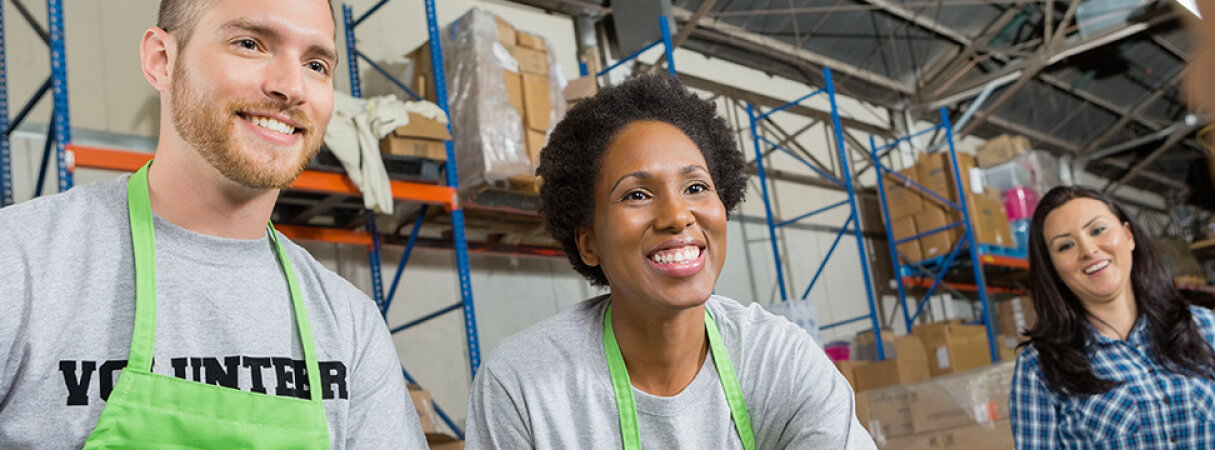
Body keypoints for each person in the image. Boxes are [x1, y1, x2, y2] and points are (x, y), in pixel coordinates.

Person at [0, 1, 426, 448]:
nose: (291, 87)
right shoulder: (18, 264)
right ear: (161, 61)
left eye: (316, 64)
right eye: (250, 44)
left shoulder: (350, 324)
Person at [463, 75, 875, 449]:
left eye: (695, 187)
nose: (677, 216)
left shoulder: (778, 361)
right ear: (589, 243)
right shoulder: (522, 386)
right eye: (636, 195)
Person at [1009, 186, 1215, 448]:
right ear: (1053, 269)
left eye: (1098, 230)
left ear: (1128, 236)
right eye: (1065, 245)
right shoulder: (1038, 369)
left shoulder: (1205, 328)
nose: (1088, 250)